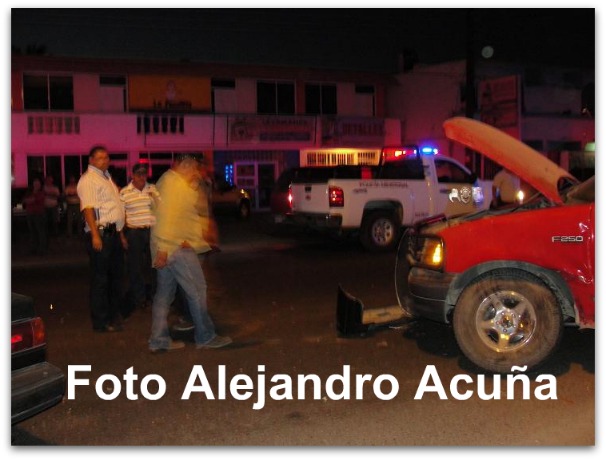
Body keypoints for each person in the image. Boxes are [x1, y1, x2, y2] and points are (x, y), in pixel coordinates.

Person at [149, 153, 231, 352]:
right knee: (197, 290)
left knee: (164, 295)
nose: (196, 171)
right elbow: (165, 218)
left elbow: (183, 210)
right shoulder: (173, 185)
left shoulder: (171, 182)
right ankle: (205, 336)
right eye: (193, 167)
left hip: (170, 247)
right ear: (185, 165)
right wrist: (163, 249)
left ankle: (158, 340)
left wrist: (192, 187)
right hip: (177, 247)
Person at [77, 145, 126, 333]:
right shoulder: (89, 179)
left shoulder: (106, 177)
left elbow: (114, 209)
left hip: (113, 234)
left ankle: (113, 316)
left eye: (106, 157)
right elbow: (88, 209)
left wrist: (120, 234)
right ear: (91, 160)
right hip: (101, 234)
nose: (104, 160)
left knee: (115, 278)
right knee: (101, 280)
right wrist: (95, 236)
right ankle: (101, 321)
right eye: (99, 158)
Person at [120, 163, 160, 318]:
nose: (142, 177)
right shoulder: (125, 192)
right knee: (135, 267)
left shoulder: (153, 189)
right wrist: (122, 236)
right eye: (139, 174)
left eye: (144, 174)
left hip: (151, 231)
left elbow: (161, 209)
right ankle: (140, 297)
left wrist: (154, 198)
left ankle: (156, 296)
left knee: (155, 265)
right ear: (133, 175)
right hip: (134, 232)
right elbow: (120, 216)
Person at [22, 177, 47, 255]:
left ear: (40, 185)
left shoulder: (41, 193)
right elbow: (24, 200)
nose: (36, 185)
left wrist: (29, 200)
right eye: (35, 183)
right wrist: (29, 200)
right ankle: (34, 248)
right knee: (32, 232)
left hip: (38, 214)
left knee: (40, 232)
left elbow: (33, 200)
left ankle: (42, 249)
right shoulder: (29, 192)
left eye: (37, 184)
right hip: (30, 214)